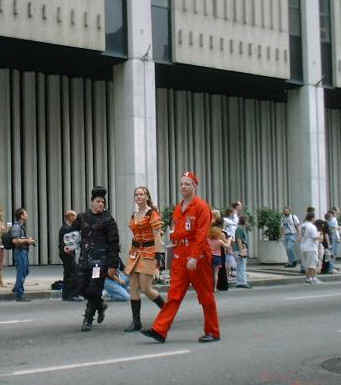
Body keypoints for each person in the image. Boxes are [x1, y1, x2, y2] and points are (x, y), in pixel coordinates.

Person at [141, 171, 220, 343]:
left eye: (187, 184)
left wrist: (194, 257)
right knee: (174, 294)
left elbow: (201, 234)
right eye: (182, 184)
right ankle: (159, 330)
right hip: (180, 254)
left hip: (197, 256)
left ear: (195, 187)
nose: (183, 187)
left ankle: (212, 331)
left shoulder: (201, 207)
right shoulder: (179, 208)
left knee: (205, 295)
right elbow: (176, 231)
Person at [70, 186, 120, 332]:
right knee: (81, 288)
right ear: (92, 202)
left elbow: (114, 243)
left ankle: (88, 319)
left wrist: (112, 265)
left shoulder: (108, 219)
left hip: (100, 261)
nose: (100, 204)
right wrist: (68, 246)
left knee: (94, 289)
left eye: (102, 202)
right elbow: (72, 233)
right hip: (85, 259)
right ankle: (100, 305)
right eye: (98, 201)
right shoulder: (83, 217)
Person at [124, 186, 165, 332]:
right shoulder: (134, 214)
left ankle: (167, 312)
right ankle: (136, 322)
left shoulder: (152, 213)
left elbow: (157, 235)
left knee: (146, 288)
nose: (139, 197)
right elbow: (135, 236)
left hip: (149, 252)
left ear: (147, 196)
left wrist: (159, 256)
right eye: (136, 194)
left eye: (142, 194)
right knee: (133, 287)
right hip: (135, 252)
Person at [11, 208, 36, 302]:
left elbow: (19, 238)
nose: (27, 215)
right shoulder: (16, 227)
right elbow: (14, 241)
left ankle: (16, 287)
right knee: (21, 272)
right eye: (25, 214)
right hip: (20, 252)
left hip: (23, 251)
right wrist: (27, 240)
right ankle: (19, 295)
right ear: (21, 216)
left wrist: (26, 239)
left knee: (25, 271)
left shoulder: (21, 226)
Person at [58, 210, 82, 301]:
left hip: (67, 253)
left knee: (68, 273)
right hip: (67, 254)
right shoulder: (66, 228)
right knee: (72, 273)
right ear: (70, 217)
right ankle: (71, 295)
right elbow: (67, 242)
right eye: (74, 217)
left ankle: (66, 294)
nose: (76, 219)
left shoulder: (66, 227)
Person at [208, 210, 230, 291]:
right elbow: (226, 244)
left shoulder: (210, 225)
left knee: (210, 272)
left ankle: (211, 286)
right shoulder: (220, 229)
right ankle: (220, 285)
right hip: (218, 252)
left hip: (210, 252)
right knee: (219, 269)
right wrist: (229, 239)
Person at [300, 213, 321, 284]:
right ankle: (312, 278)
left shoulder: (303, 225)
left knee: (307, 265)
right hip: (311, 247)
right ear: (312, 218)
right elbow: (314, 237)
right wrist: (320, 236)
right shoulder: (312, 226)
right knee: (312, 264)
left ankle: (309, 278)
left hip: (303, 246)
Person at [233, 216, 252, 288]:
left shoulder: (240, 228)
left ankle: (239, 282)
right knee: (242, 266)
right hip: (240, 249)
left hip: (238, 249)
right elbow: (239, 240)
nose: (248, 223)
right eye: (247, 221)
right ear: (244, 221)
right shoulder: (240, 229)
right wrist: (241, 250)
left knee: (239, 266)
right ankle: (243, 282)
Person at [0, 208, 6, 287]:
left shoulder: (1, 221)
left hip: (1, 244)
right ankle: (1, 281)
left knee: (0, 263)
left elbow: (3, 233)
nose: (1, 213)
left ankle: (1, 281)